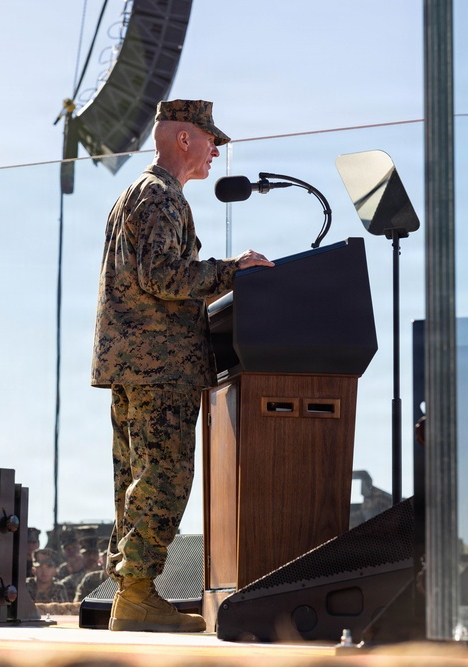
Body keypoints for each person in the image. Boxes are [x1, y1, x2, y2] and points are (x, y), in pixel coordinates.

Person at [91, 99, 273, 633]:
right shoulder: (159, 195)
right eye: (209, 138)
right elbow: (164, 277)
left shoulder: (142, 193)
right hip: (158, 366)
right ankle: (138, 595)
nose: (216, 149)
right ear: (183, 139)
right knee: (162, 478)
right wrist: (232, 270)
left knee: (137, 477)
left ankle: (132, 592)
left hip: (136, 364)